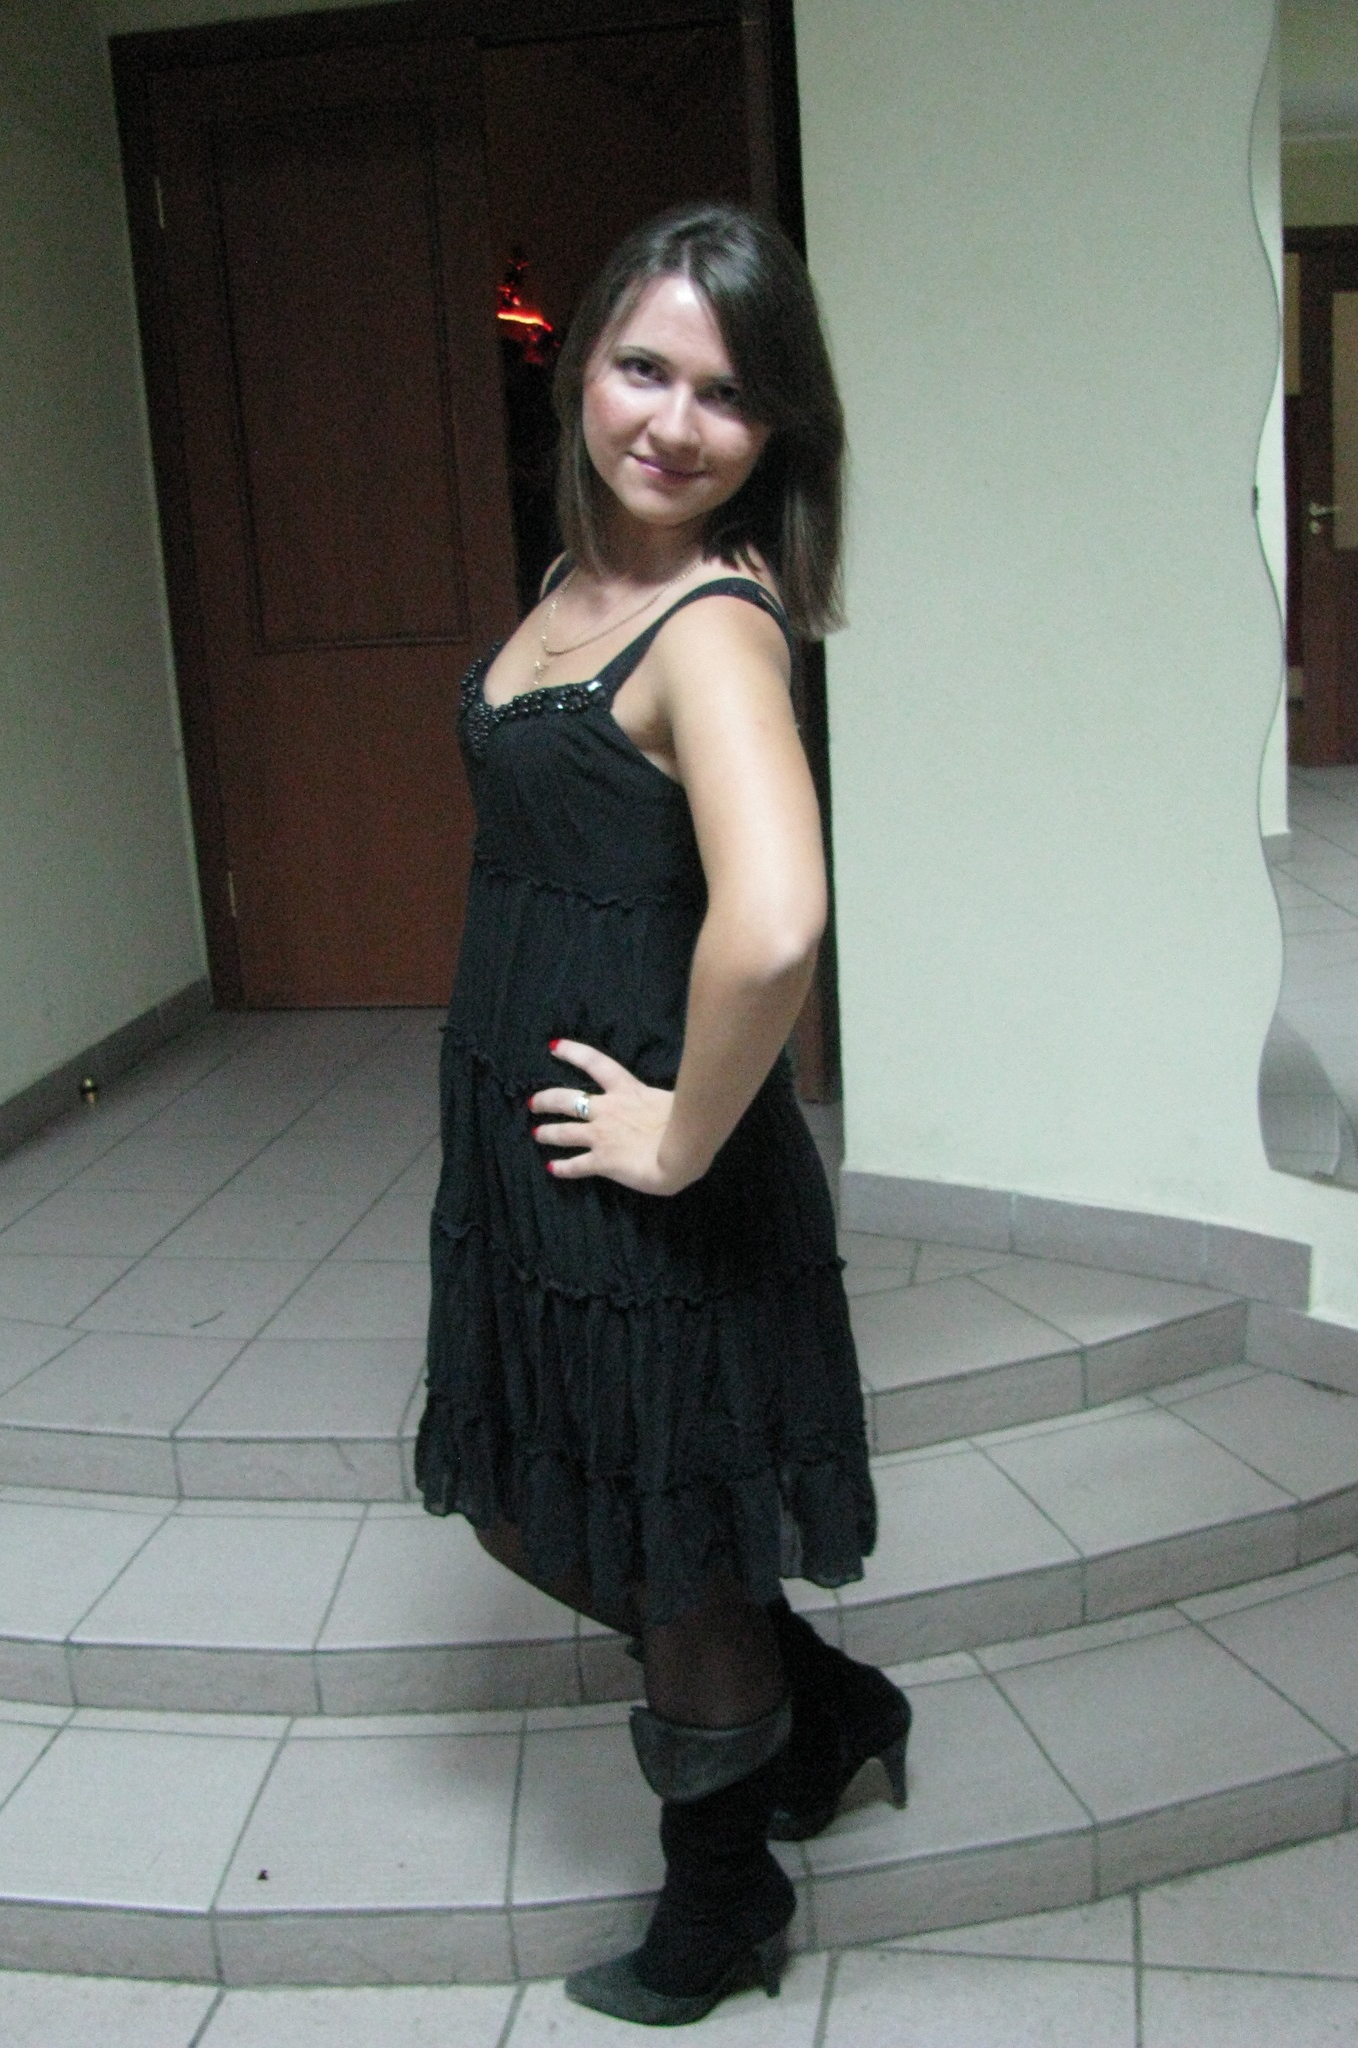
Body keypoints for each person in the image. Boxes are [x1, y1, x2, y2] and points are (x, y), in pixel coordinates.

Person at [415, 202, 910, 2026]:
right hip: (539, 1148)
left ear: (778, 429)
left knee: (659, 1537)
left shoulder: (712, 624)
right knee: (541, 1505)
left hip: (653, 1177)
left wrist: (683, 1136)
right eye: (645, 368)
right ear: (580, 366)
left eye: (728, 394)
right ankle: (827, 1710)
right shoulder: (583, 578)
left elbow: (774, 921)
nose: (676, 423)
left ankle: (723, 1900)